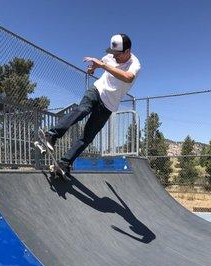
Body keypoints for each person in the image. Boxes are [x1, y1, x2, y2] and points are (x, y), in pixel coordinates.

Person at [43, 33, 141, 175]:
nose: (113, 57)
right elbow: (100, 63)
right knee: (82, 109)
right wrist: (93, 68)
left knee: (88, 137)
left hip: (108, 105)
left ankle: (65, 163)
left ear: (127, 51)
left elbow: (128, 77)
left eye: (117, 54)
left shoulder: (135, 64)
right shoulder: (109, 57)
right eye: (112, 53)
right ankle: (52, 135)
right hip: (97, 90)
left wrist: (102, 66)